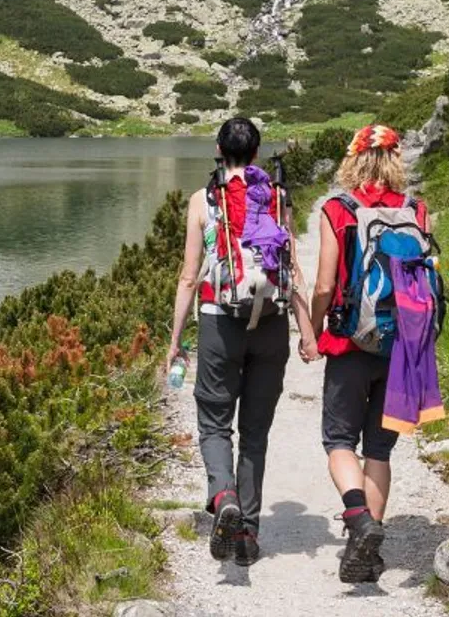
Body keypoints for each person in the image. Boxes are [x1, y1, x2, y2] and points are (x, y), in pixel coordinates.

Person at [164, 117, 318, 567]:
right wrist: (307, 332)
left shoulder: (202, 201)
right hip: (270, 323)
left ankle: (223, 494)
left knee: (214, 420)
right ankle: (248, 534)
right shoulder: (275, 196)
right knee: (255, 432)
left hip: (219, 322)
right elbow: (289, 268)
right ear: (256, 153)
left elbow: (189, 276)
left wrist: (175, 340)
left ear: (218, 149)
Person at [303, 122, 435, 584]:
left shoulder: (338, 209)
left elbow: (323, 285)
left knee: (339, 440)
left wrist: (313, 331)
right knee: (379, 449)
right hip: (403, 348)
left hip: (349, 342)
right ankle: (366, 555)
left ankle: (359, 520)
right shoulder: (417, 211)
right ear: (396, 160)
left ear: (352, 160)